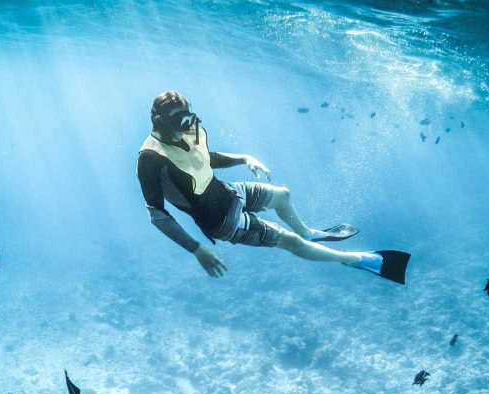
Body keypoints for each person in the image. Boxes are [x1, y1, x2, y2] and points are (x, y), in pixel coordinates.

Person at [135, 91, 409, 283]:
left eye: (187, 117)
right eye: (177, 120)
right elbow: (157, 215)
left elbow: (204, 158)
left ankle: (309, 233)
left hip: (228, 191)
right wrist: (196, 249)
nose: (185, 125)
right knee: (289, 242)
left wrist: (245, 158)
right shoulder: (150, 158)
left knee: (283, 195)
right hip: (221, 221)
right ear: (159, 120)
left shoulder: (186, 131)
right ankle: (351, 259)